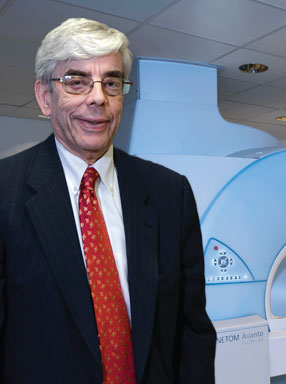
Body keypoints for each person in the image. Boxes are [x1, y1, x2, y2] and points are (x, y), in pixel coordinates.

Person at [0, 18, 216, 383]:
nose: (98, 97)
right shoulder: (6, 190)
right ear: (44, 96)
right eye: (77, 81)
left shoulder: (170, 193)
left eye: (111, 82)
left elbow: (191, 332)